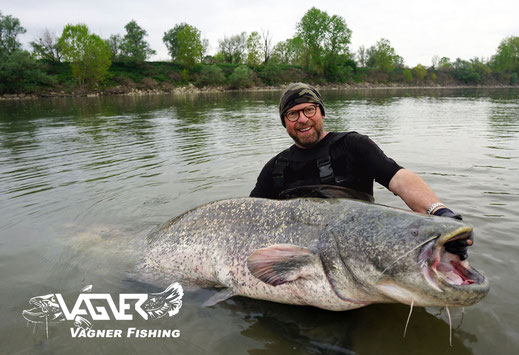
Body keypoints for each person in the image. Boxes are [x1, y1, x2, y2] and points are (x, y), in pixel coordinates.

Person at [250, 82, 471, 259]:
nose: (303, 119)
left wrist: (440, 212)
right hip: (294, 263)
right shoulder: (274, 168)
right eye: (293, 114)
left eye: (309, 109)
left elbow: (398, 178)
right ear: (284, 122)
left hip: (356, 258)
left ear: (322, 112)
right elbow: (249, 218)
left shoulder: (353, 145)